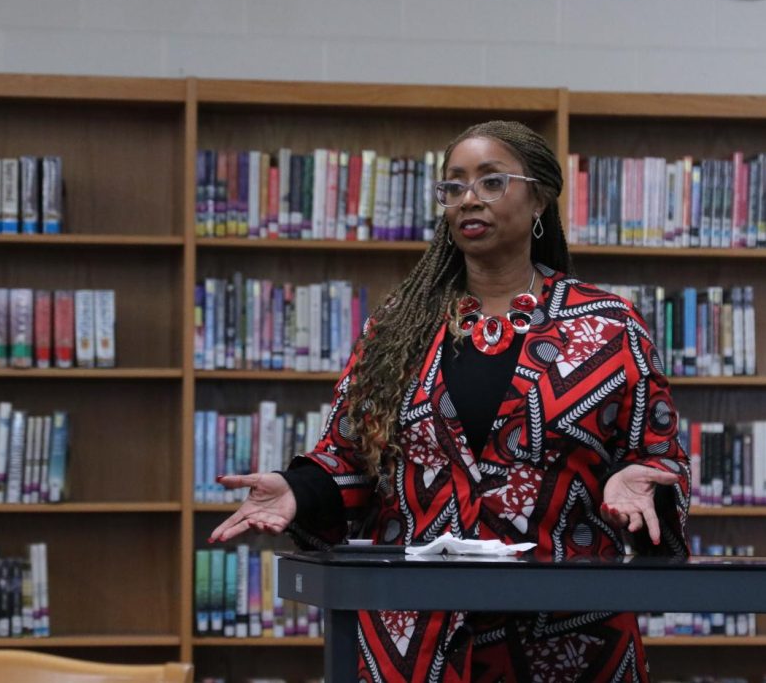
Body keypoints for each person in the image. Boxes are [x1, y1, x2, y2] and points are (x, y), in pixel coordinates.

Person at [210, 121, 691, 682]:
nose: (469, 199)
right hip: (415, 636)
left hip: (567, 637)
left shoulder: (609, 328)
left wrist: (638, 484)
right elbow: (349, 457)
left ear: (538, 197)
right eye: (454, 186)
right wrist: (297, 487)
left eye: (491, 182)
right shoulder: (399, 328)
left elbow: (658, 459)